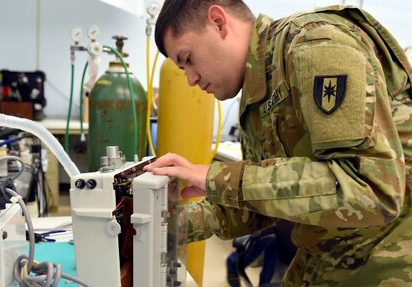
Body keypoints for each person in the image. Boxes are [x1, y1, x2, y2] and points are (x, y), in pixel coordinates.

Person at [144, 0, 412, 285]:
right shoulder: (257, 93)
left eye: (188, 59)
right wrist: (170, 224)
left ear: (218, 22)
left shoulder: (316, 45)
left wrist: (217, 177)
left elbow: (371, 189)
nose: (190, 79)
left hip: (388, 257)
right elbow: (261, 203)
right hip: (330, 252)